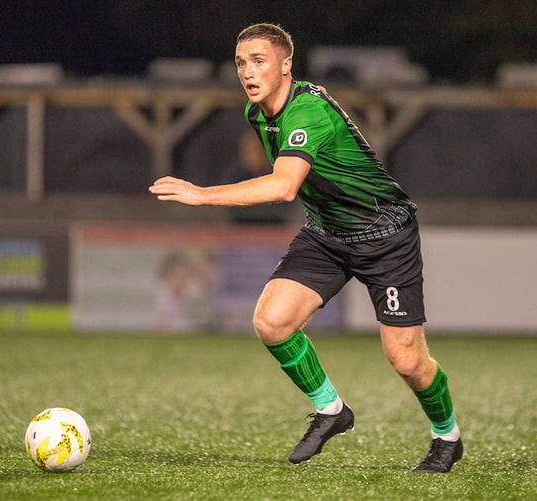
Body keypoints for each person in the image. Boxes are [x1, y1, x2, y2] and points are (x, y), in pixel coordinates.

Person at [149, 22, 463, 473]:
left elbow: (283, 186)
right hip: (327, 233)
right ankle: (332, 410)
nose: (248, 72)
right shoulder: (257, 115)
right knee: (272, 322)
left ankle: (446, 437)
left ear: (285, 65)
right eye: (241, 63)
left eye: (259, 61)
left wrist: (203, 194)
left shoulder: (308, 111)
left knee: (407, 361)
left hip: (385, 237)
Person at [221, 131, 291, 224]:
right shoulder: (235, 177)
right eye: (249, 151)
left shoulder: (277, 175)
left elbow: (283, 207)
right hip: (240, 229)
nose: (254, 156)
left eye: (257, 150)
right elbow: (231, 207)